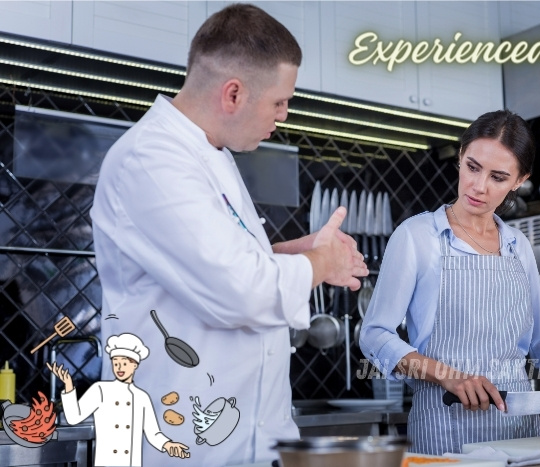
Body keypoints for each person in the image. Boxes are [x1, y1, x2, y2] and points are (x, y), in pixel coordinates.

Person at [89, 4, 367, 465]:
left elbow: (212, 268)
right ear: (233, 94)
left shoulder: (211, 155)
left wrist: (286, 252)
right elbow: (239, 291)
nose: (283, 116)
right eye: (280, 102)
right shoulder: (152, 159)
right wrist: (321, 264)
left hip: (250, 445)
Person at [359, 110, 540, 456]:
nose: (479, 187)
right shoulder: (417, 237)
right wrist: (449, 376)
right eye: (473, 167)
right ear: (461, 156)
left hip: (521, 436)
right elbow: (375, 335)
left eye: (498, 177)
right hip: (446, 433)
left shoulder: (517, 246)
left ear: (519, 180)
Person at [48, 333, 190, 466]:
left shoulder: (141, 397)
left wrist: (168, 444)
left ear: (135, 365)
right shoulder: (100, 390)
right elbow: (73, 418)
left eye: (125, 363)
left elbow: (153, 434)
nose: (119, 367)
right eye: (116, 363)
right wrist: (68, 385)